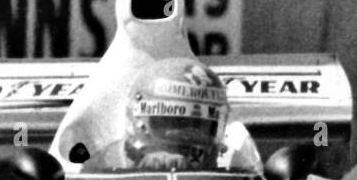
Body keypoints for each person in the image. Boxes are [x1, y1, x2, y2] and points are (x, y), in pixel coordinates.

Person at [97, 57, 262, 172]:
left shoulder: (234, 164)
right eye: (177, 123)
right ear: (139, 122)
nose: (189, 135)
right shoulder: (105, 164)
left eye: (201, 126)